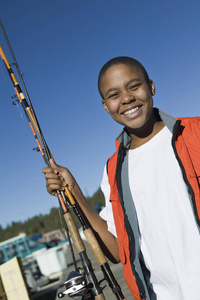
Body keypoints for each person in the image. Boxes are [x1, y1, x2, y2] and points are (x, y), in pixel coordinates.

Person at [42, 57, 200, 300]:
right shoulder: (112, 169)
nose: (126, 98)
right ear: (106, 106)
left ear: (152, 87)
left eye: (134, 86)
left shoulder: (196, 133)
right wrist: (73, 190)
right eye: (114, 94)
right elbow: (116, 251)